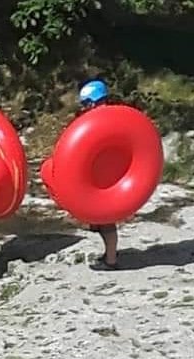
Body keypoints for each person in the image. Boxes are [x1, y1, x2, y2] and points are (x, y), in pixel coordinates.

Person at [76, 79, 120, 271]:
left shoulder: (108, 119)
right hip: (96, 173)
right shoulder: (97, 118)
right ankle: (109, 254)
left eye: (85, 103)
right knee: (98, 220)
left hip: (106, 176)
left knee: (107, 218)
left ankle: (111, 260)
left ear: (93, 101)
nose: (84, 108)